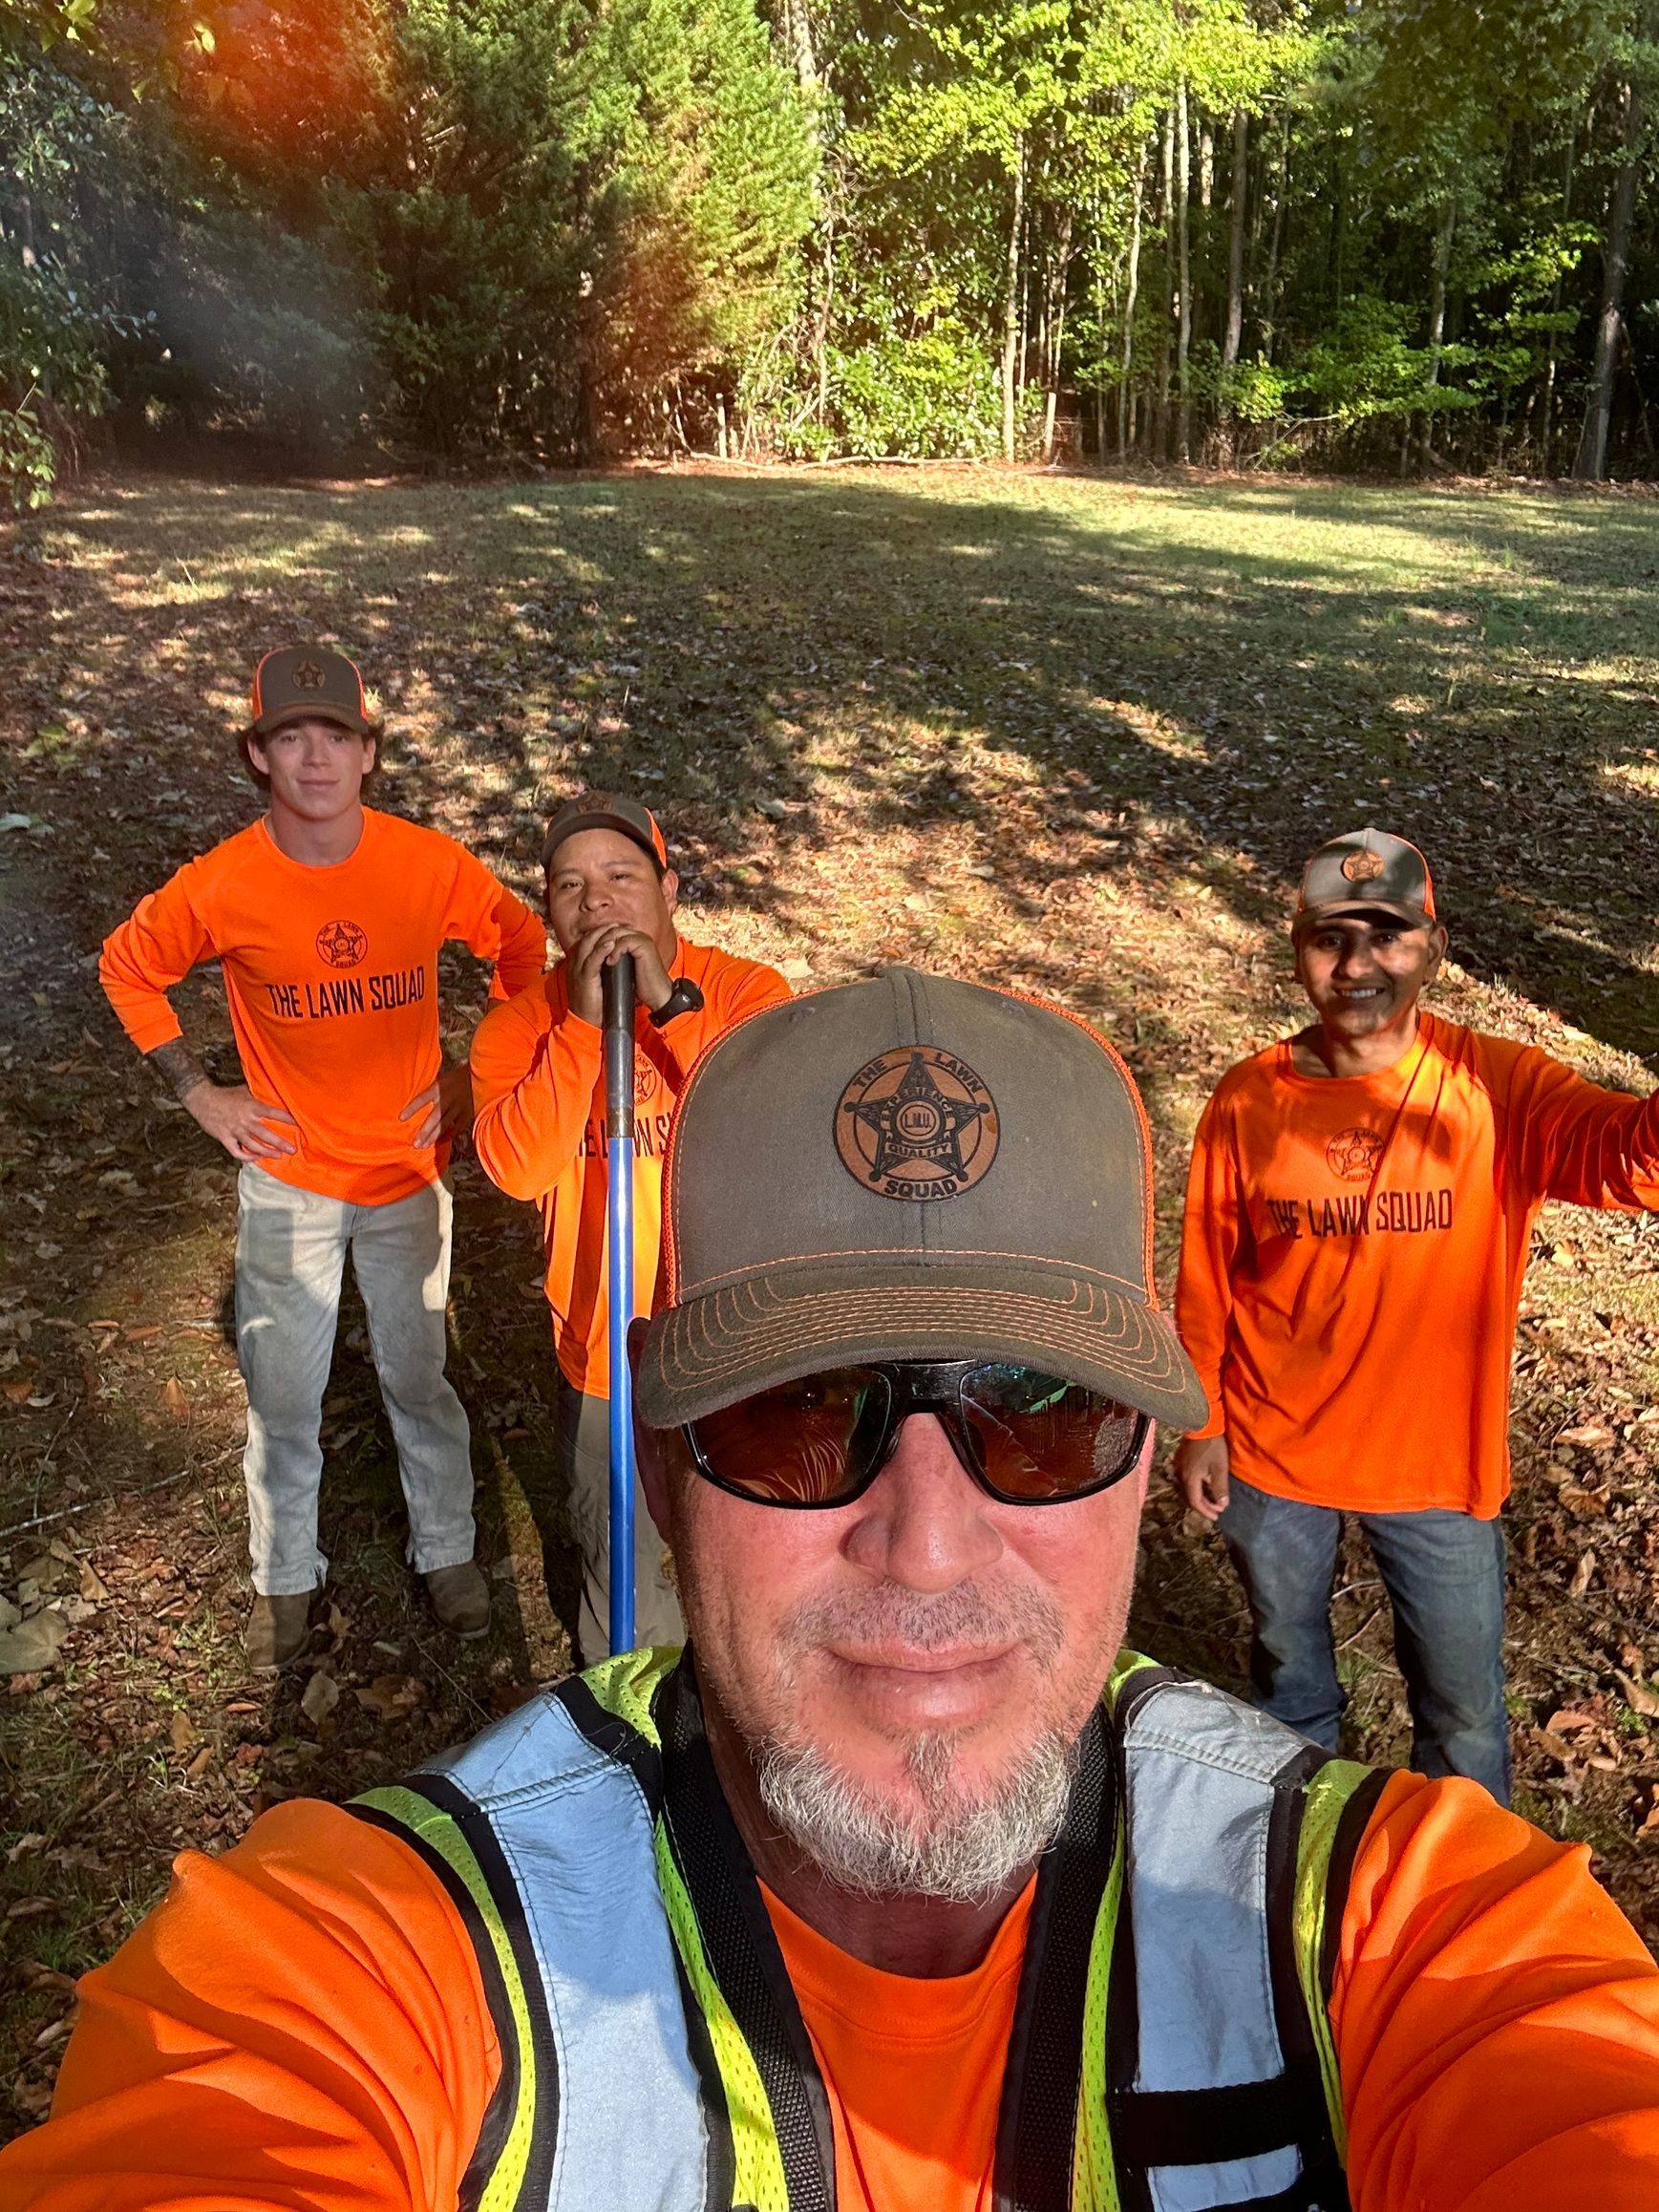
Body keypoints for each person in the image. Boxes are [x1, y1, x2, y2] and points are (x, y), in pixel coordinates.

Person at [7, 966, 1659, 2212]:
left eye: (1039, 1414)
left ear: (1147, 1466)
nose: (925, 1541)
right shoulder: (362, 1962)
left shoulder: (1419, 1935)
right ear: (660, 1471)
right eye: (798, 1416)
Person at [1175, 826, 1659, 1803]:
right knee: (1290, 1684)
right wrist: (1200, 1423)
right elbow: (1206, 1276)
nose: (1356, 965)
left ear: (1433, 949)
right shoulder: (1247, 1100)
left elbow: (1630, 1162)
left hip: (1434, 1469)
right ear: (1296, 944)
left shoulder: (1499, 1090)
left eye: (1386, 935)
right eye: (1328, 937)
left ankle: (1460, 1898)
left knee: (1465, 1716)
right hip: (1273, 1458)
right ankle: (1299, 1856)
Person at [97, 646, 547, 1668]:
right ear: (257, 756)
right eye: (289, 737)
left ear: (368, 752)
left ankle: (448, 1552)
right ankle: (283, 1580)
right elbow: (128, 968)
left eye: (334, 736)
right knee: (284, 1398)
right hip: (290, 1182)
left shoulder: (425, 865)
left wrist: (478, 1075)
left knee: (421, 1379)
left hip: (406, 1177)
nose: (314, 758)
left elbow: (522, 949)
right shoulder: (225, 883)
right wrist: (198, 1092)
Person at [470, 790, 788, 1664]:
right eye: (569, 887)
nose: (596, 901)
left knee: (752, 1561)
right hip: (607, 1355)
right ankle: (634, 1738)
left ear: (669, 888)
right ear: (548, 911)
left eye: (619, 876)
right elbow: (517, 1168)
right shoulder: (518, 1025)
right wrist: (579, 1028)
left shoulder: (747, 994)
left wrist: (670, 1007)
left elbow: (769, 1133)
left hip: (733, 1340)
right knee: (624, 1572)